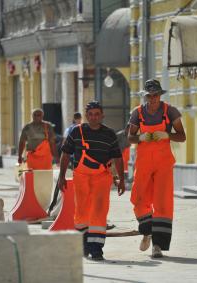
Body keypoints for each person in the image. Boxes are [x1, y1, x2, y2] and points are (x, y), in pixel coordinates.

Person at [57, 101, 125, 261]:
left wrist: (121, 179)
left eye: (97, 114)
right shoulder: (76, 132)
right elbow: (65, 154)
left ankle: (96, 249)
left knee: (99, 212)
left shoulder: (109, 134)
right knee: (82, 212)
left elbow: (117, 157)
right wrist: (61, 177)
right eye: (91, 114)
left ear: (102, 115)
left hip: (102, 177)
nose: (94, 117)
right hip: (81, 177)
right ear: (86, 116)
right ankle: (84, 244)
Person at [128, 79, 186, 258]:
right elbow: (130, 137)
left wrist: (166, 134)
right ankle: (147, 232)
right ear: (145, 96)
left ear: (160, 95)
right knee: (138, 198)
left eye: (156, 95)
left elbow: (182, 136)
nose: (153, 99)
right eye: (149, 96)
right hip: (144, 163)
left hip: (163, 164)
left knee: (163, 203)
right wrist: (141, 138)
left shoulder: (170, 112)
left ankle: (158, 246)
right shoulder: (137, 113)